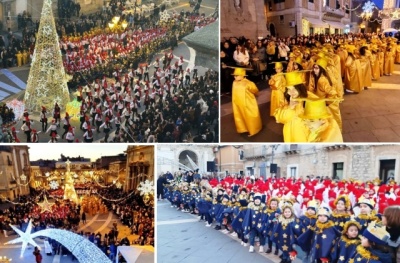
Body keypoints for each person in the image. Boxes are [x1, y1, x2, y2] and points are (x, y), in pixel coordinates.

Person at [273, 71, 309, 142]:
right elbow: (279, 118)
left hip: (304, 135)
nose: (291, 93)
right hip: (289, 134)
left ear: (300, 88)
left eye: (294, 89)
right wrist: (290, 107)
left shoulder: (309, 100)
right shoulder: (286, 101)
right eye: (289, 89)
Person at [231, 67, 262, 137]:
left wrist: (255, 96)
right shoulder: (234, 83)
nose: (235, 77)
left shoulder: (248, 83)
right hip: (238, 103)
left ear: (243, 75)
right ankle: (243, 128)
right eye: (234, 75)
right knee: (240, 116)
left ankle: (254, 129)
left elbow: (255, 90)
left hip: (248, 103)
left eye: (237, 75)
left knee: (249, 116)